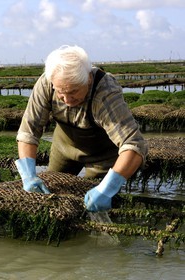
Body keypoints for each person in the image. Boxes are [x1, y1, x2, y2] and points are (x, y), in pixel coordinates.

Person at [15, 45, 148, 212]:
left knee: (94, 204)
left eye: (74, 92)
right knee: (51, 197)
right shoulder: (47, 83)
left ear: (88, 80)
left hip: (103, 157)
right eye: (61, 93)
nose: (67, 99)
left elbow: (134, 145)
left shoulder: (105, 92)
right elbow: (28, 132)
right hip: (64, 149)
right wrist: (28, 176)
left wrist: (107, 189)